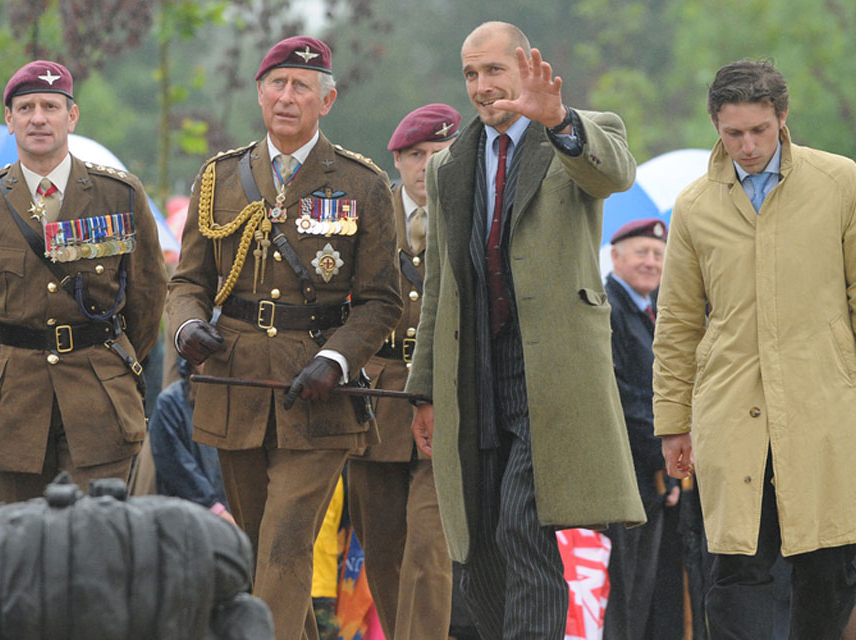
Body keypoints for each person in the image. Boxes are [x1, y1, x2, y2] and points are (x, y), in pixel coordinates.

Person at [405, 21, 645, 640]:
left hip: (549, 372)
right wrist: (425, 389)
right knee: (478, 546)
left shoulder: (579, 131)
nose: (482, 87)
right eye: (471, 74)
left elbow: (613, 174)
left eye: (494, 71)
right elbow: (439, 285)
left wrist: (559, 120)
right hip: (472, 373)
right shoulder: (450, 164)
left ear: (525, 66)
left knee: (522, 526)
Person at [166, 36, 402, 640]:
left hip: (318, 388)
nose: (287, 96)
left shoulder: (362, 183)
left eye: (302, 87)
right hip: (236, 379)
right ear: (260, 93)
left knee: (284, 543)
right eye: (277, 83)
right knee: (255, 548)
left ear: (327, 100)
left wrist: (336, 359)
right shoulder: (220, 178)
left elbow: (380, 300)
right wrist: (189, 325)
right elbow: (187, 281)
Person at [652, 59, 856, 640]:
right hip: (731, 410)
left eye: (759, 130)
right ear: (715, 124)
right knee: (735, 568)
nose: (747, 145)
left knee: (831, 569)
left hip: (825, 404)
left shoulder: (840, 182)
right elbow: (678, 320)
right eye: (733, 133)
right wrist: (672, 422)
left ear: (783, 118)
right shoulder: (694, 205)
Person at [0, 60, 166, 502]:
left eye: (51, 105)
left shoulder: (118, 194)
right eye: (25, 107)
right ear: (9, 120)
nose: (38, 118)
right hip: (13, 400)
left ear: (72, 116)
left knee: (96, 540)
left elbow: (148, 294)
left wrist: (110, 358)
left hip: (99, 397)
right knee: (23, 543)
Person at [347, 103, 460, 640]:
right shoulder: (366, 218)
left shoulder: (473, 216)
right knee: (383, 545)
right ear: (397, 159)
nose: (427, 164)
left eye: (440, 153)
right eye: (416, 154)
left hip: (449, 397)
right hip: (376, 397)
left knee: (428, 548)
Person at [603, 218, 681, 639]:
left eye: (658, 255)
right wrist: (664, 450)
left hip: (652, 471)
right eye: (641, 253)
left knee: (646, 590)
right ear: (615, 257)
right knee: (623, 587)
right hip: (624, 470)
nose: (651, 262)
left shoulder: (655, 312)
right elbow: (621, 394)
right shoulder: (609, 307)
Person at [150, 357, 233, 523]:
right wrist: (215, 509)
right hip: (189, 524)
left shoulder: (237, 400)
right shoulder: (170, 403)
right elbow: (177, 466)